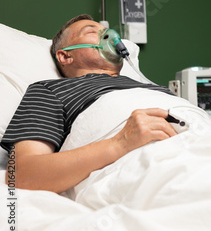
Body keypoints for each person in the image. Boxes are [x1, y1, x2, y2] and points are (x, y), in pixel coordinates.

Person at [1, 14, 178, 193]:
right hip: (151, 172)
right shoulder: (50, 90)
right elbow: (22, 175)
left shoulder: (153, 88)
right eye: (91, 32)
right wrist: (120, 142)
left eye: (107, 31)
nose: (110, 36)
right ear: (65, 56)